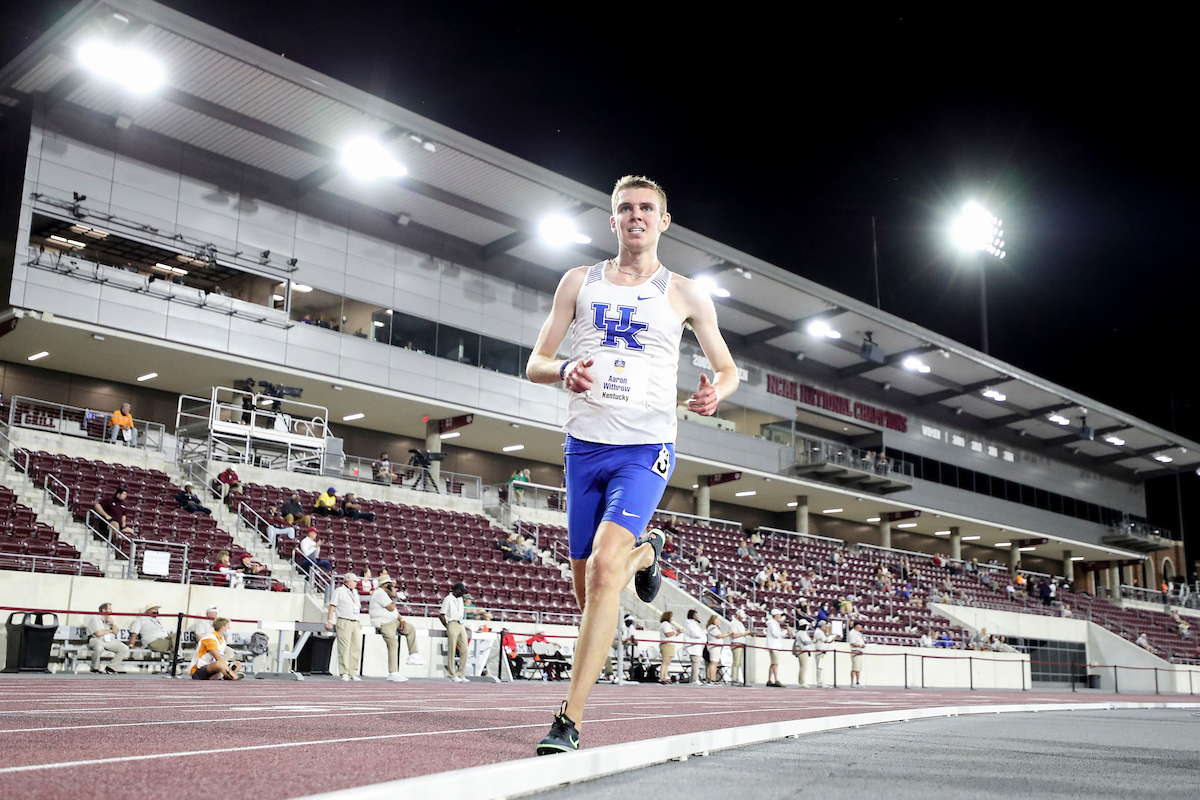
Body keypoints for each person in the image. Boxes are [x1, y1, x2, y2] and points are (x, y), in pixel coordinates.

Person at [529, 177, 738, 756]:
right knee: (591, 590)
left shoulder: (687, 293)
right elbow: (535, 361)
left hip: (646, 447)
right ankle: (648, 552)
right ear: (613, 220)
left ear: (664, 221)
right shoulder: (579, 282)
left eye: (647, 208)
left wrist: (714, 394)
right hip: (584, 447)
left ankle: (567, 720)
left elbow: (727, 369)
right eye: (626, 208)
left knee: (602, 571)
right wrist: (563, 369)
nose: (636, 216)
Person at [370, 577, 423, 681]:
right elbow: (391, 607)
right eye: (390, 584)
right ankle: (393, 672)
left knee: (410, 628)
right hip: (384, 623)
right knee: (393, 644)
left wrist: (402, 619)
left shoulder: (385, 594)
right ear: (384, 584)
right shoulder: (380, 593)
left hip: (393, 621)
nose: (392, 586)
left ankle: (413, 655)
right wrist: (393, 597)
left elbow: (394, 611)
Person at [326, 572, 363, 681]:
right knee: (344, 648)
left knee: (356, 647)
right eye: (354, 581)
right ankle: (344, 672)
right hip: (344, 620)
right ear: (349, 581)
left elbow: (356, 607)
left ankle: (353, 672)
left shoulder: (355, 592)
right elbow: (332, 606)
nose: (356, 583)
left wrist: (358, 620)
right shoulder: (339, 591)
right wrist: (329, 620)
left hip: (354, 622)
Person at [86, 602, 129, 674]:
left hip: (108, 640)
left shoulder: (110, 619)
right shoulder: (95, 618)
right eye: (109, 609)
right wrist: (110, 631)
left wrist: (113, 623)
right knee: (99, 647)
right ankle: (95, 668)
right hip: (95, 639)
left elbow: (116, 632)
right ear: (103, 610)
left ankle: (111, 668)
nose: (111, 611)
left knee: (124, 648)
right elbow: (98, 633)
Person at [440, 582, 470, 683]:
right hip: (452, 623)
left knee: (464, 649)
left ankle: (461, 673)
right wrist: (448, 626)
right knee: (452, 650)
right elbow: (442, 615)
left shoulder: (460, 599)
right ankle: (452, 674)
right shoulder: (448, 599)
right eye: (461, 591)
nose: (462, 593)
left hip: (461, 624)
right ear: (455, 590)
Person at [705, 614, 731, 684]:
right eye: (718, 620)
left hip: (717, 647)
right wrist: (728, 634)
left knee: (715, 663)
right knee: (713, 663)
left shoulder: (716, 628)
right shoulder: (712, 627)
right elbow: (719, 636)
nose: (719, 621)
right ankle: (712, 679)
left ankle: (713, 679)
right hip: (714, 647)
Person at [765, 609, 788, 688]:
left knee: (773, 663)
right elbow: (776, 634)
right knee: (775, 663)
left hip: (774, 645)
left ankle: (769, 679)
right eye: (779, 614)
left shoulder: (774, 623)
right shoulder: (773, 624)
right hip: (774, 646)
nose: (780, 616)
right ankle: (776, 679)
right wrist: (785, 632)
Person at [657, 610, 681, 684]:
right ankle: (662, 677)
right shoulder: (665, 624)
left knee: (667, 662)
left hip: (670, 644)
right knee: (665, 662)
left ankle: (665, 677)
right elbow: (668, 634)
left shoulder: (668, 624)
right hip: (666, 644)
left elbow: (672, 635)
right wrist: (676, 631)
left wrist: (677, 633)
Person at [683, 609, 705, 685]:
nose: (697, 617)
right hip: (694, 647)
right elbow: (696, 634)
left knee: (696, 664)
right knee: (696, 664)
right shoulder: (690, 624)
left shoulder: (694, 624)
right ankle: (695, 679)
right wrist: (704, 632)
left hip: (696, 647)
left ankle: (693, 679)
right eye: (696, 615)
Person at [793, 619, 815, 687]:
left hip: (803, 650)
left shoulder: (801, 633)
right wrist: (813, 641)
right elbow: (806, 641)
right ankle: (802, 682)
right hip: (802, 650)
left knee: (803, 666)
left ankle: (801, 681)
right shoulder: (801, 633)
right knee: (803, 666)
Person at [728, 608, 748, 684]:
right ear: (738, 615)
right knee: (736, 662)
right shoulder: (733, 623)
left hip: (741, 643)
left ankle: (736, 677)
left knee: (739, 663)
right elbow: (734, 635)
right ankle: (734, 678)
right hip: (736, 643)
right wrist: (744, 634)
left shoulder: (739, 623)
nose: (742, 618)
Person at [813, 619, 832, 687]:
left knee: (821, 667)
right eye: (825, 627)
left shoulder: (820, 632)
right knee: (820, 667)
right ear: (822, 626)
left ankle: (821, 681)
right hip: (820, 652)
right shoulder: (819, 632)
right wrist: (831, 638)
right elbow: (826, 640)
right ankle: (820, 682)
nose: (826, 628)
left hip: (822, 652)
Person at [848, 620, 866, 687]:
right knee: (854, 668)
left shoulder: (858, 633)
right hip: (855, 651)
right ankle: (852, 682)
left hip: (860, 651)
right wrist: (860, 646)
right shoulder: (853, 633)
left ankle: (858, 682)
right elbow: (852, 643)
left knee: (858, 668)